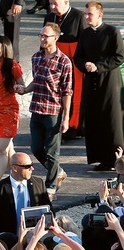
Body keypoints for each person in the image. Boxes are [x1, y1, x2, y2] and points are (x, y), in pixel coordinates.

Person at [16, 22, 72, 201]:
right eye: (40, 35)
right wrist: (25, 90)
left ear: (55, 38)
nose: (42, 38)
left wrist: (66, 117)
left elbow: (67, 91)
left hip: (53, 111)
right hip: (37, 109)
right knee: (37, 148)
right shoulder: (36, 57)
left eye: (45, 36)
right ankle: (59, 172)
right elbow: (37, 81)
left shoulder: (64, 62)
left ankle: (51, 186)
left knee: (52, 152)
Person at [73, 1, 124, 171]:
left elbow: (119, 56)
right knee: (94, 119)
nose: (86, 17)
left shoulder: (111, 32)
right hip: (91, 82)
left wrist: (99, 66)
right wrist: (85, 64)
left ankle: (117, 159)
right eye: (85, 13)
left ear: (100, 15)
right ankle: (102, 158)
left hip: (110, 82)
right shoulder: (85, 33)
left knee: (111, 120)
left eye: (90, 14)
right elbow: (78, 56)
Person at [0, 35, 25, 187]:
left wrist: (19, 88)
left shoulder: (13, 66)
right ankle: (19, 178)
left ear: (5, 49)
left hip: (9, 111)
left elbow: (22, 84)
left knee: (1, 149)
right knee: (9, 149)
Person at [44, 0, 87, 140]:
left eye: (55, 4)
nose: (52, 7)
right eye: (50, 3)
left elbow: (85, 42)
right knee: (54, 94)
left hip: (74, 64)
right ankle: (54, 126)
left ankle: (73, 127)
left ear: (66, 2)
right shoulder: (50, 17)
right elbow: (44, 39)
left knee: (72, 95)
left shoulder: (79, 16)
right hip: (54, 63)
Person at [0, 152, 52, 237]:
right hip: (9, 240)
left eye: (31, 165)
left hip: (34, 238)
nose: (32, 168)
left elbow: (49, 210)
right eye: (27, 167)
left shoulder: (38, 184)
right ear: (14, 168)